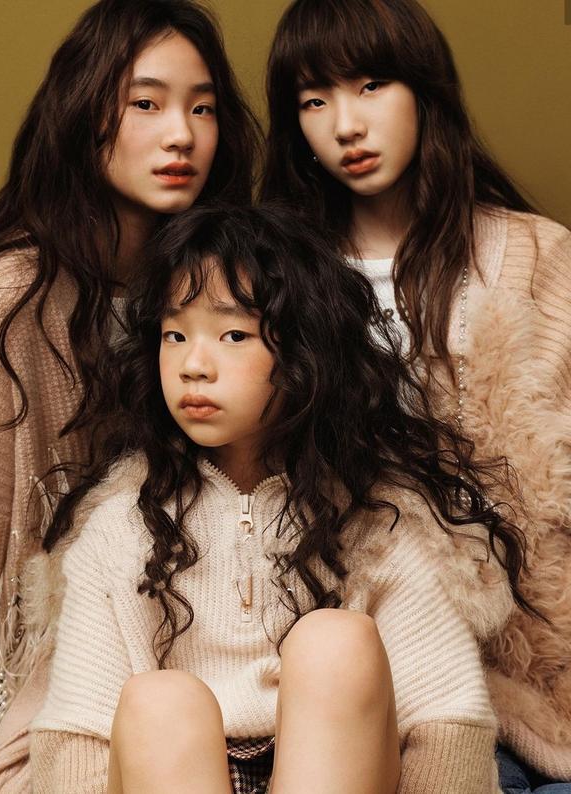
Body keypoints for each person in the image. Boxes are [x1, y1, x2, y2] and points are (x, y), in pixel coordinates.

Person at [28, 203, 534, 793]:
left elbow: (444, 719)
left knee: (335, 642)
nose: (193, 365)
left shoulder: (380, 514)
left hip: (342, 773)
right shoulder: (121, 524)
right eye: (174, 335)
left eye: (233, 335)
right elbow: (77, 738)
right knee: (159, 701)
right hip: (176, 776)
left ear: (304, 353)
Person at [0, 0, 261, 788]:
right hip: (70, 664)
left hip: (215, 644)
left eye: (203, 108)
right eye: (145, 104)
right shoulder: (6, 296)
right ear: (84, 115)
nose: (181, 135)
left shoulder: (232, 279)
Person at [263, 0, 571, 788]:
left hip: (536, 665)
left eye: (371, 85)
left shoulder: (536, 256)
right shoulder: (273, 276)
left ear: (424, 88)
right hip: (366, 669)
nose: (346, 125)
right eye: (314, 101)